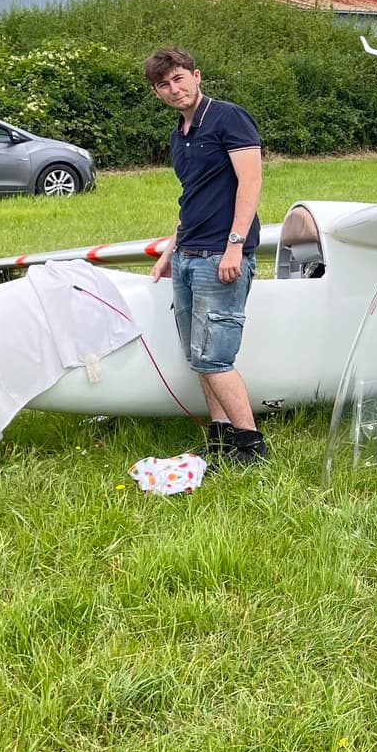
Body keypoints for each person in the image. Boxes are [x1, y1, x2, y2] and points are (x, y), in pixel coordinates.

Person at [143, 47, 269, 466]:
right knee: (199, 355)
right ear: (158, 92)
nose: (174, 89)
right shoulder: (178, 135)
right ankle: (220, 437)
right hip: (188, 255)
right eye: (164, 84)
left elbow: (249, 183)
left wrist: (235, 245)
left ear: (197, 76)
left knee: (216, 357)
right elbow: (192, 198)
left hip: (221, 255)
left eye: (180, 79)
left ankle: (250, 446)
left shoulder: (228, 118)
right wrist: (169, 250)